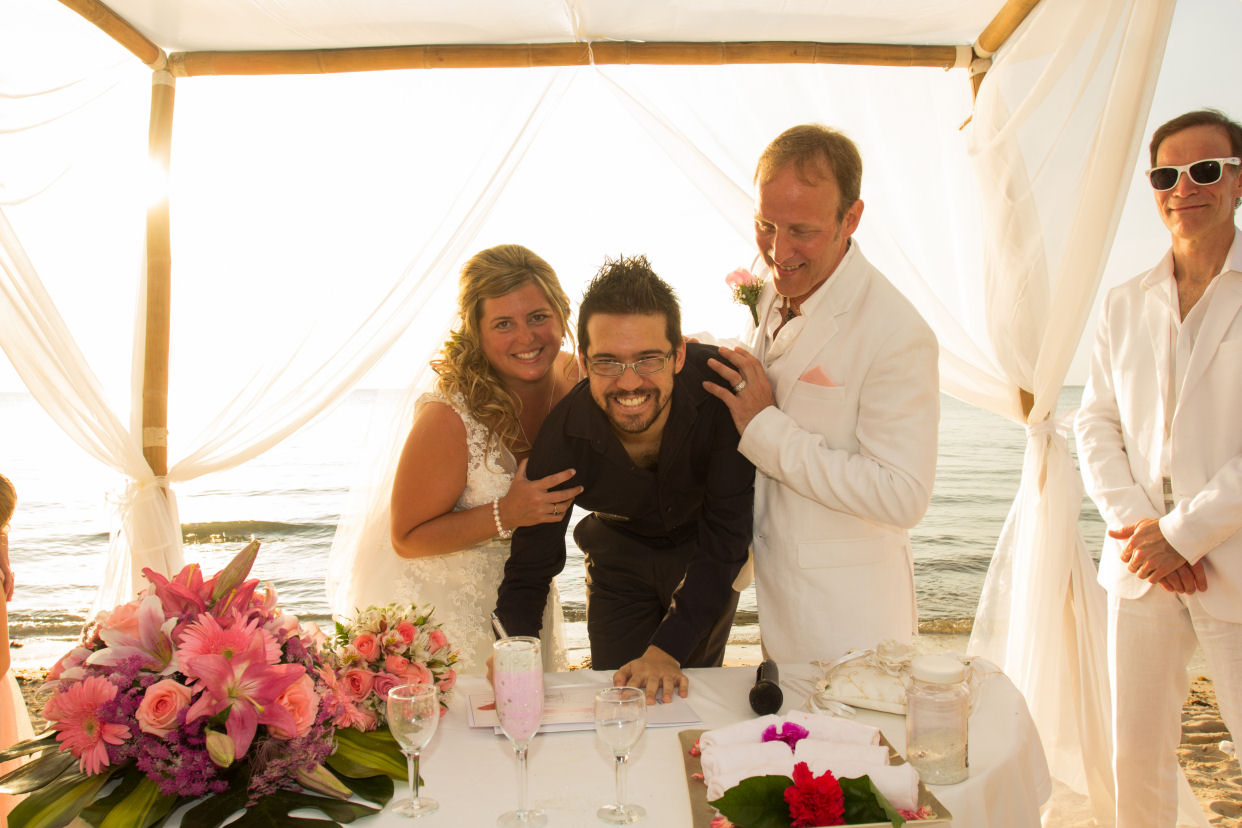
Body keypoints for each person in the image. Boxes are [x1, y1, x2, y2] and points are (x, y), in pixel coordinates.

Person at [703, 123, 940, 665]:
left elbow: (903, 495)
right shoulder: (770, 286)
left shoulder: (898, 332)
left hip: (850, 620)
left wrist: (764, 428)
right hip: (776, 598)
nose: (777, 250)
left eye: (801, 231)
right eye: (765, 225)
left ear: (850, 219)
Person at [1074, 108, 1242, 827]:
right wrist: (1143, 529)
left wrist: (1184, 533)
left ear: (1237, 182)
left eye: (1204, 170)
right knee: (1135, 755)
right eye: (1166, 175)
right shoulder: (1122, 303)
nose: (1183, 189)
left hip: (1231, 551)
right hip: (1140, 559)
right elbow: (1094, 422)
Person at [494, 255, 754, 703]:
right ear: (583, 361)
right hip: (617, 559)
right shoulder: (562, 438)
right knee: (618, 697)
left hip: (705, 554)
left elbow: (727, 538)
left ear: (679, 354)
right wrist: (512, 649)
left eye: (648, 359)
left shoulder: (721, 395)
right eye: (608, 362)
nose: (629, 383)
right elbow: (530, 565)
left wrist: (667, 650)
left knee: (690, 697)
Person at [386, 244, 584, 674]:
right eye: (503, 324)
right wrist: (506, 513)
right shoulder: (449, 417)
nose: (526, 338)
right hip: (451, 613)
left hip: (528, 598)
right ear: (476, 331)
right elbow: (406, 538)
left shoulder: (577, 379)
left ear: (562, 313)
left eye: (538, 317)